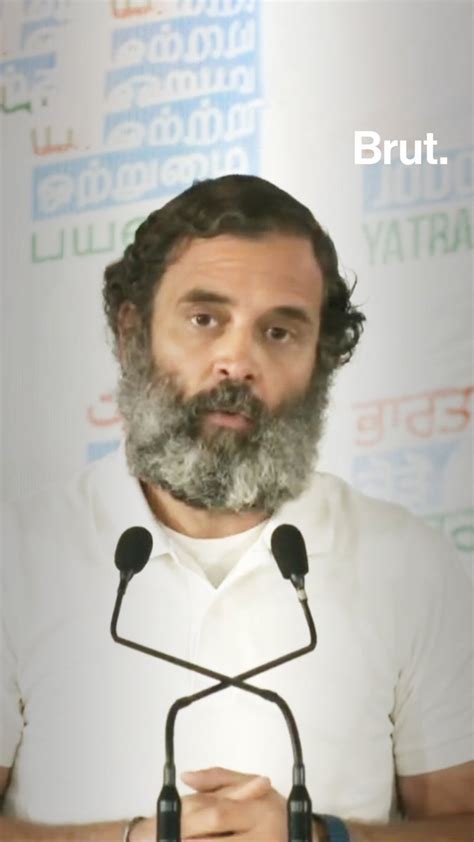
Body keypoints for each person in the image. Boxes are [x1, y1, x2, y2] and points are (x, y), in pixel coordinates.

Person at [0, 175, 472, 842]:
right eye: (205, 320)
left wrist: (322, 837)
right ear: (133, 331)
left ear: (320, 362)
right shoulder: (16, 558)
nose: (237, 361)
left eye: (279, 332)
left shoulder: (408, 563)